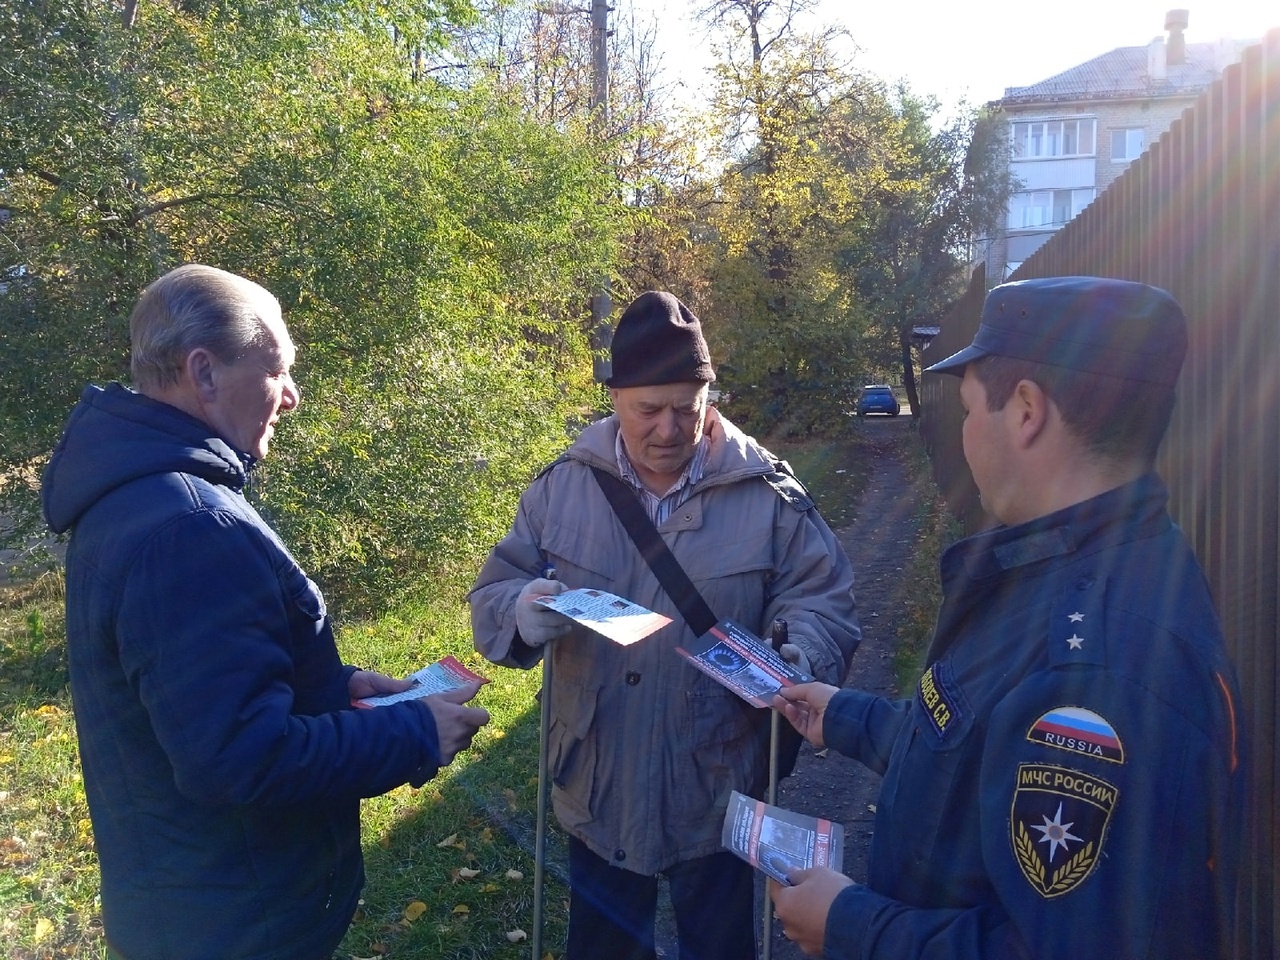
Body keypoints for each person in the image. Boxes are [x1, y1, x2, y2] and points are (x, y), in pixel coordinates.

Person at [769, 276, 1245, 960]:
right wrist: (840, 715)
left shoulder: (1095, 667)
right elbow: (973, 751)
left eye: (967, 410)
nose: (964, 434)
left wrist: (850, 925)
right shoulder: (1063, 572)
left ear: (1025, 411)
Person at [41, 264, 491, 960]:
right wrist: (413, 736)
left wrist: (333, 691)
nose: (292, 396)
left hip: (196, 902)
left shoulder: (139, 496)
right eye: (277, 369)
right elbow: (236, 760)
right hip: (236, 926)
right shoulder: (189, 527)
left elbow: (191, 696)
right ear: (205, 372)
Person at [469, 290, 860, 960]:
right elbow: (494, 591)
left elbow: (823, 600)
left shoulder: (766, 494)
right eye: (649, 409)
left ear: (711, 396)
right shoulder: (563, 486)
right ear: (615, 397)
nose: (669, 429)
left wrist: (801, 652)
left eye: (687, 407)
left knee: (721, 946)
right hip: (598, 779)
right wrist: (520, 612)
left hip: (716, 778)